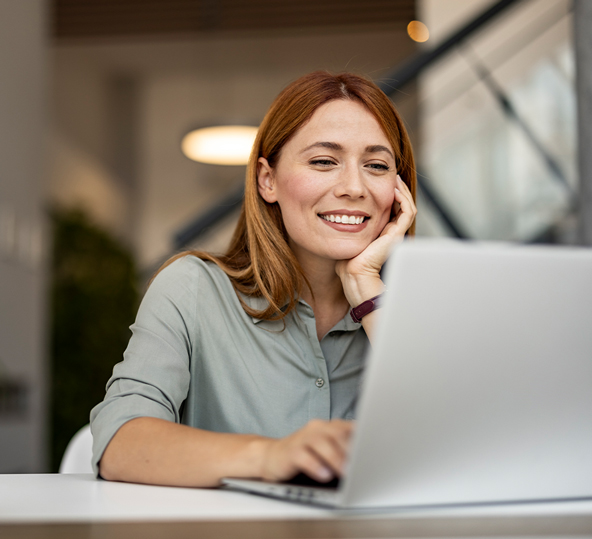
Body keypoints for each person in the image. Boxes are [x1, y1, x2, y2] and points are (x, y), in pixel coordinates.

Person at [89, 71, 417, 488]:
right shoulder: (192, 289)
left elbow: (462, 451)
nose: (354, 187)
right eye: (323, 161)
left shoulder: (417, 308)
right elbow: (120, 443)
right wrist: (271, 455)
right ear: (268, 180)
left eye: (376, 165)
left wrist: (368, 291)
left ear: (398, 189)